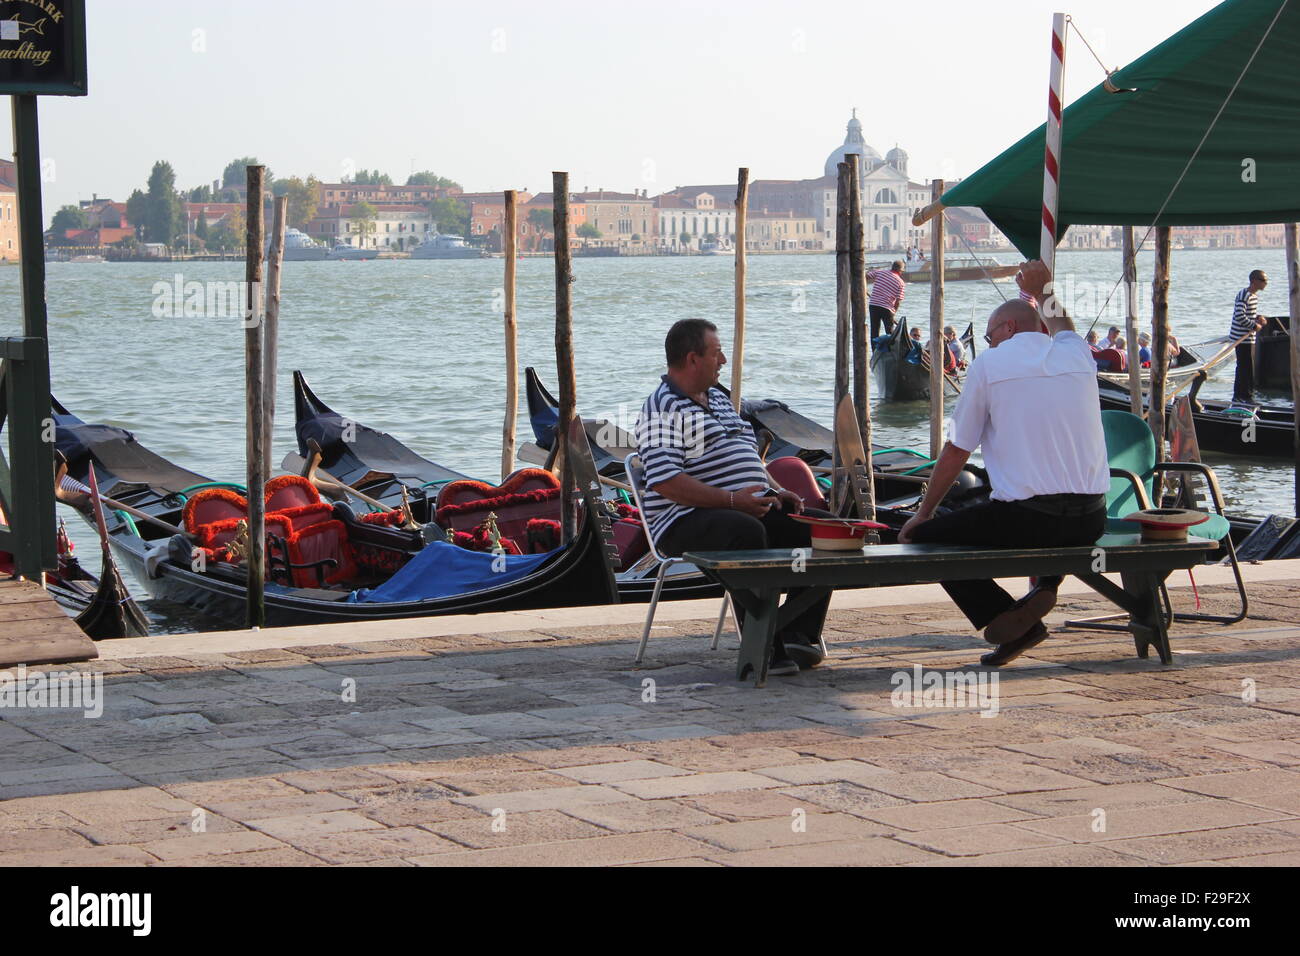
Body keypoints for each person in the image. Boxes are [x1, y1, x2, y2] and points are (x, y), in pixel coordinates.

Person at [897, 260, 1109, 667]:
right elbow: (1062, 323)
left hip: (1031, 519)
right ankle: (1044, 586)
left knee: (927, 540)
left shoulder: (988, 365)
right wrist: (1044, 288)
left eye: (991, 335)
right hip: (1091, 518)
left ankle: (1007, 617)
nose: (989, 342)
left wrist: (924, 514)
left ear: (1008, 329)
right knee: (1034, 512)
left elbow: (957, 450)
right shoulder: (1076, 352)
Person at [636, 318, 831, 675]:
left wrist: (775, 488)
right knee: (745, 531)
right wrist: (731, 500)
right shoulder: (661, 408)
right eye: (717, 352)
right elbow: (666, 482)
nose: (723, 360)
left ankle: (797, 633)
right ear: (693, 359)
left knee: (827, 532)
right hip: (683, 519)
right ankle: (765, 648)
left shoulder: (721, 400)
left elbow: (746, 458)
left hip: (745, 507)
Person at [1231, 270, 1269, 405]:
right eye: (1264, 280)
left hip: (1249, 338)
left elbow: (1248, 313)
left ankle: (1242, 396)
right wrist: (1254, 326)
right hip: (1240, 337)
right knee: (1245, 367)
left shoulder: (1254, 296)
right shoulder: (1244, 294)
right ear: (1254, 281)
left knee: (1246, 367)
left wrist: (1258, 318)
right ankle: (1244, 397)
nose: (1266, 283)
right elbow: (1239, 316)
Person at [867, 260, 906, 342]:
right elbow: (898, 301)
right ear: (900, 271)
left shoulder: (880, 272)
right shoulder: (901, 283)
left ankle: (875, 350)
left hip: (873, 305)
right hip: (887, 308)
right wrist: (894, 312)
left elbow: (866, 276)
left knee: (874, 330)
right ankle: (890, 351)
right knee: (890, 332)